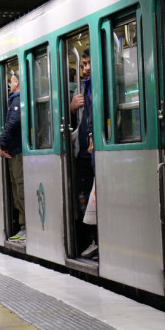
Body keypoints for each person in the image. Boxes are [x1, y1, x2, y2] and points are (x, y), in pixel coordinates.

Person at [70, 48, 98, 259]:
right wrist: (71, 108)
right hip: (83, 154)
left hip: (95, 153)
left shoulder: (99, 85)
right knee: (86, 199)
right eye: (83, 65)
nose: (85, 69)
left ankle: (97, 240)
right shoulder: (80, 89)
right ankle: (91, 240)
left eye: (88, 64)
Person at [0, 72, 26, 241]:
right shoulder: (15, 98)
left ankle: (26, 227)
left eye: (12, 82)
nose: (10, 85)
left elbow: (13, 123)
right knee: (16, 189)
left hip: (18, 151)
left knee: (20, 188)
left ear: (18, 83)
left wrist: (0, 141)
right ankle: (23, 226)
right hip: (13, 150)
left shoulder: (18, 99)